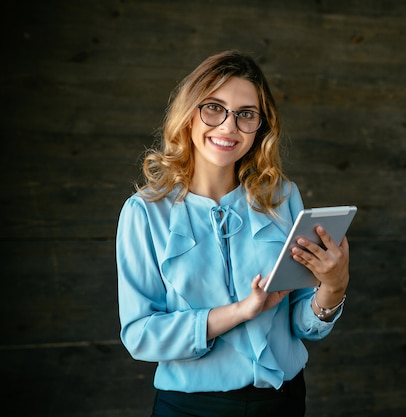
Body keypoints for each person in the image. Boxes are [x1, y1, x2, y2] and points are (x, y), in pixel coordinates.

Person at [115, 50, 350, 417]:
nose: (228, 127)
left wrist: (334, 287)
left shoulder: (282, 197)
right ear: (188, 114)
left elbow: (303, 325)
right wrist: (240, 311)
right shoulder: (144, 212)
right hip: (190, 409)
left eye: (245, 115)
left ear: (260, 127)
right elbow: (140, 335)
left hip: (282, 403)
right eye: (213, 108)